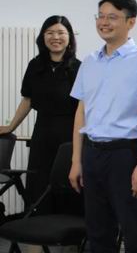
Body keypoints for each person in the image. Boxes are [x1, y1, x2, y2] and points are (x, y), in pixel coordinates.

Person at [69, 0, 137, 253]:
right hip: (92, 153)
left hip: (125, 154)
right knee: (98, 231)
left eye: (112, 17)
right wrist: (76, 161)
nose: (104, 22)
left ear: (131, 22)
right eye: (100, 16)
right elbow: (81, 112)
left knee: (134, 231)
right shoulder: (89, 61)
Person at [0, 15, 81, 216]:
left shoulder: (78, 68)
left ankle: (69, 233)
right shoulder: (35, 65)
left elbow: (84, 108)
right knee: (38, 185)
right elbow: (27, 100)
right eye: (50, 32)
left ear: (69, 37)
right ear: (43, 37)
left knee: (67, 185)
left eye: (61, 33)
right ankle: (36, 231)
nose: (55, 37)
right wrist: (11, 127)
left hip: (70, 135)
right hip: (42, 132)